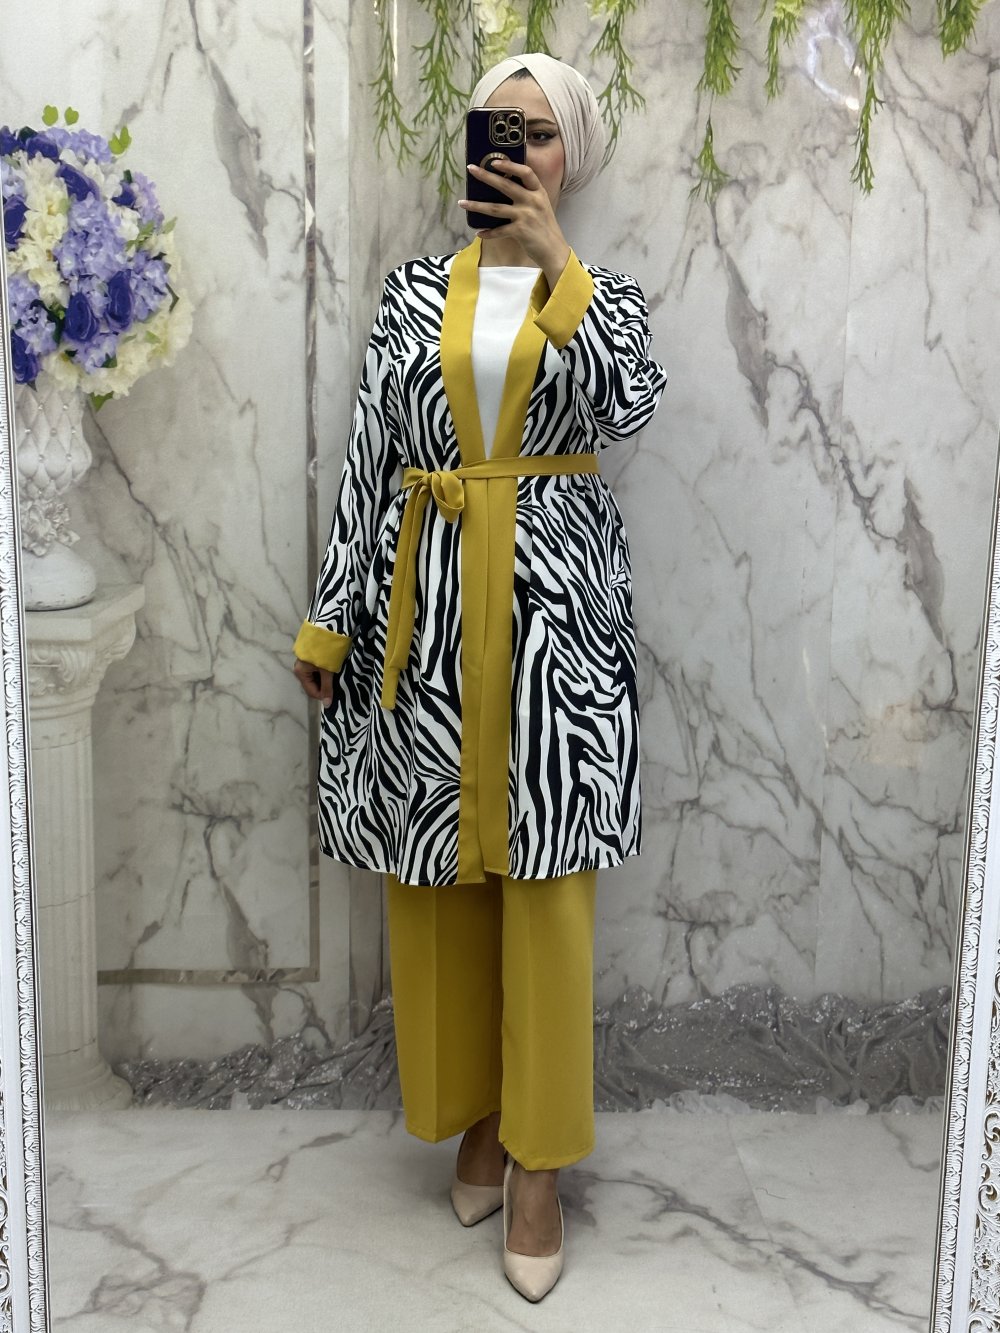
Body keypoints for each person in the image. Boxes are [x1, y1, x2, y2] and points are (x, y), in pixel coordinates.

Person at [292, 51, 666, 1302]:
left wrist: (558, 265)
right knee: (439, 880)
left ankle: (541, 1162)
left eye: (541, 132)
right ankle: (478, 1119)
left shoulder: (606, 297)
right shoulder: (412, 293)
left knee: (545, 892)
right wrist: (331, 623)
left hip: (556, 626)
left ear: (573, 158)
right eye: (500, 127)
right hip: (432, 614)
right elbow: (370, 458)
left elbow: (626, 407)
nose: (520, 149)